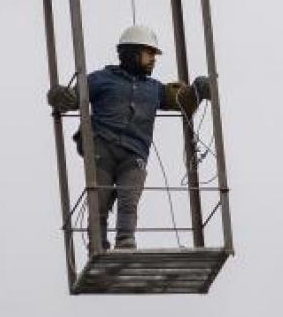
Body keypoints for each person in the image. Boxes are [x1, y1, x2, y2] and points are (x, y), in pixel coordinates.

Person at [47, 24, 210, 251]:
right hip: (102, 148)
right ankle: (98, 245)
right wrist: (59, 95)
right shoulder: (101, 79)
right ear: (133, 52)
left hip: (134, 153)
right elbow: (72, 99)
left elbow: (184, 101)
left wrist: (198, 89)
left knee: (129, 198)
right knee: (100, 198)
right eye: (150, 53)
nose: (154, 59)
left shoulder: (155, 89)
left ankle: (125, 242)